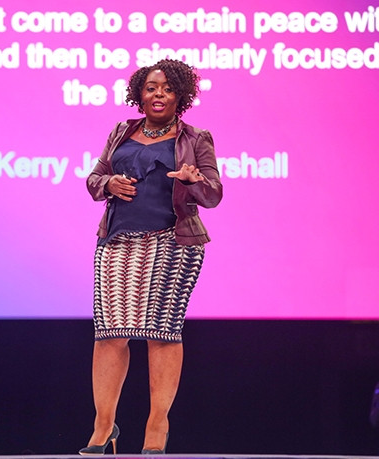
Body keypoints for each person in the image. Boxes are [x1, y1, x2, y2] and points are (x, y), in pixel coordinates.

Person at [80, 59, 222, 456]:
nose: (158, 94)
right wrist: (109, 182)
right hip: (117, 240)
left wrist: (195, 181)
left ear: (181, 95)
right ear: (139, 94)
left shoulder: (196, 138)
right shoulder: (121, 131)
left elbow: (214, 193)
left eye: (167, 88)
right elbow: (94, 180)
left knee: (161, 332)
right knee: (109, 333)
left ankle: (157, 427)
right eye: (150, 88)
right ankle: (103, 427)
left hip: (173, 242)